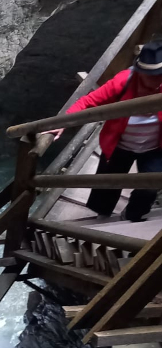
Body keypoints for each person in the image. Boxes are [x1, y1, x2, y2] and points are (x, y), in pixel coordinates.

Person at [56, 39, 162, 221]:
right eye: (150, 75)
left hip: (154, 147)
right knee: (108, 183)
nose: (154, 80)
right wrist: (61, 123)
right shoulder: (124, 80)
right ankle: (102, 216)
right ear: (140, 71)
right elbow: (88, 101)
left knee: (150, 184)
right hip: (119, 144)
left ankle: (133, 215)